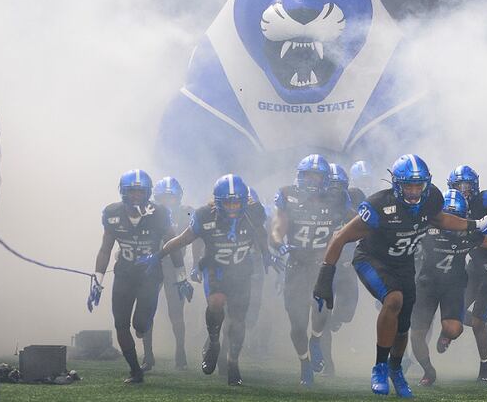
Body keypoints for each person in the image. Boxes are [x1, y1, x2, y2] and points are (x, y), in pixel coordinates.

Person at [312, 154, 487, 398]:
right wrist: (325, 275)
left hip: (404, 264)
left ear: (427, 184)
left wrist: (475, 225)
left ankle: (395, 369)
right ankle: (379, 367)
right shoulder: (380, 205)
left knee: (403, 327)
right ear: (396, 185)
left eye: (418, 185)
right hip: (373, 258)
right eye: (408, 185)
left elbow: (443, 219)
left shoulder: (431, 199)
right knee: (394, 300)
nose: (413, 191)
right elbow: (341, 237)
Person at [138, 174, 278, 386]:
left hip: (241, 270)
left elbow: (260, 233)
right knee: (216, 302)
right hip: (216, 268)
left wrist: (266, 253)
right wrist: (159, 255)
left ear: (244, 201)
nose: (232, 207)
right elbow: (183, 239)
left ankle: (233, 363)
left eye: (236, 202)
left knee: (238, 322)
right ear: (218, 202)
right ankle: (213, 342)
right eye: (227, 202)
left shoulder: (253, 213)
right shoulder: (205, 215)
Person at [410, 189, 487, 387]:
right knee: (417, 333)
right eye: (448, 217)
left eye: (457, 217)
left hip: (454, 284)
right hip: (427, 284)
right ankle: (428, 370)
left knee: (455, 328)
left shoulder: (470, 233)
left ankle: (481, 359)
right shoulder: (425, 228)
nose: (453, 222)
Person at [91, 169, 188, 384]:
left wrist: (181, 275)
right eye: (131, 192)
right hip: (124, 274)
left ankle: (146, 332)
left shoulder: (160, 213)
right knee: (121, 324)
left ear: (148, 193)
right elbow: (106, 249)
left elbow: (173, 245)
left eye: (140, 192)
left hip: (150, 275)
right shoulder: (112, 213)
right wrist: (97, 279)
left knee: (140, 324)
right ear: (123, 192)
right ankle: (135, 370)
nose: (135, 196)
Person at [271, 155, 353, 386]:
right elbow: (278, 227)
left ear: (325, 179)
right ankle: (304, 363)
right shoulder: (288, 194)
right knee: (297, 323)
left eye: (316, 176)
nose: (311, 181)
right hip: (296, 263)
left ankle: (316, 340)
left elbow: (355, 221)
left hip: (322, 263)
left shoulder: (337, 198)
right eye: (307, 175)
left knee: (321, 310)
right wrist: (279, 243)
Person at [448, 165, 487, 383]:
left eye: (467, 185)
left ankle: (486, 368)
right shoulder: (451, 205)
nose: (464, 190)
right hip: (474, 266)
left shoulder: (485, 197)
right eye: (459, 186)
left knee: (477, 322)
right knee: (454, 310)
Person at [140, 177, 201, 371]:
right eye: (164, 198)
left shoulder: (188, 212)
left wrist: (197, 262)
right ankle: (148, 355)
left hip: (175, 265)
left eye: (171, 197)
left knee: (176, 312)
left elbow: (198, 236)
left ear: (179, 197)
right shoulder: (147, 212)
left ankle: (180, 351)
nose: (167, 201)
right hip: (152, 265)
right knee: (147, 309)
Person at [320, 163, 359, 376]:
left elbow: (364, 219)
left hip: (346, 266)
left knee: (347, 312)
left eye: (339, 185)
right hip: (325, 266)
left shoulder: (353, 198)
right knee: (323, 316)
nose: (335, 190)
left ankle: (335, 321)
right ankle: (328, 362)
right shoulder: (315, 204)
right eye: (332, 185)